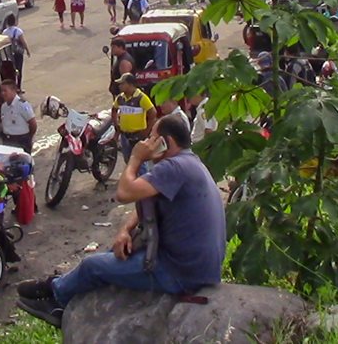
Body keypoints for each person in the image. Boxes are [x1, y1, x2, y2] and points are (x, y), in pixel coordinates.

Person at [17, 115, 226, 327]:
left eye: (152, 138)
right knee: (114, 253)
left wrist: (136, 158)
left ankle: (57, 300)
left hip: (180, 272)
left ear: (166, 142)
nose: (146, 142)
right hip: (194, 266)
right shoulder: (189, 162)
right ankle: (58, 285)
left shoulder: (174, 167)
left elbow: (124, 193)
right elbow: (146, 197)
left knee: (92, 265)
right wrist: (125, 230)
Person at [111, 73, 157, 166]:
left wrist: (146, 131)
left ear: (130, 84)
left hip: (138, 136)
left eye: (122, 84)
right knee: (128, 161)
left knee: (141, 163)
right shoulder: (120, 98)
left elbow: (153, 114)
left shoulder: (141, 98)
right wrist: (116, 124)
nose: (120, 86)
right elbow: (114, 110)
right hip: (125, 136)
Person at [0, 80, 35, 152]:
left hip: (21, 141)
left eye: (5, 91)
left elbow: (33, 123)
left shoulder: (22, 105)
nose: (3, 93)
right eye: (1, 91)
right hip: (7, 140)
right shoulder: (4, 106)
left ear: (13, 91)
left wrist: (28, 137)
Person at [3, 15, 30, 90]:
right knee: (19, 69)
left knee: (12, 70)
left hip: (9, 53)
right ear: (14, 21)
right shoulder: (18, 31)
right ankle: (19, 87)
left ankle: (12, 87)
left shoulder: (5, 32)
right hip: (18, 53)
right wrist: (27, 50)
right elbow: (23, 42)